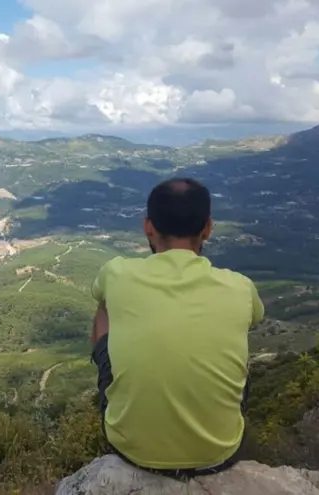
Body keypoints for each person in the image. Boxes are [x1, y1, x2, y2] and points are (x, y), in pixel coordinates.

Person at [90, 177, 264, 478]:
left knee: (104, 308)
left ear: (148, 227)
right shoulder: (240, 286)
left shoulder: (115, 272)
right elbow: (255, 319)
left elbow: (102, 305)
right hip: (219, 453)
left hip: (131, 449)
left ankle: (126, 402)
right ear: (207, 228)